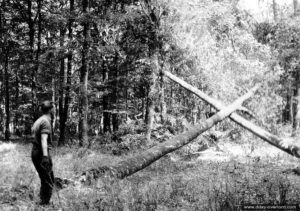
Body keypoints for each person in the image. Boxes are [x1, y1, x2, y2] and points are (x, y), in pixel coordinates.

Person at [31, 100, 55, 205]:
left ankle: (42, 200)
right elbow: (43, 139)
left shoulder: (39, 120)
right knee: (48, 180)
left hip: (36, 152)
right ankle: (44, 204)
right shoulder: (45, 121)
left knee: (45, 178)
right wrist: (45, 156)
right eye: (54, 108)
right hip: (41, 153)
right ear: (51, 110)